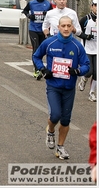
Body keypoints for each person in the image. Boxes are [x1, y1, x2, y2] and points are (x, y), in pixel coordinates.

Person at [32, 16, 90, 160]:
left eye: (68, 26)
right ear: (58, 27)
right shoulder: (50, 42)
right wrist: (43, 70)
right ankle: (50, 131)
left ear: (72, 28)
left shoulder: (77, 46)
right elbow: (36, 56)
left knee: (65, 120)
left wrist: (77, 71)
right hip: (53, 86)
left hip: (69, 88)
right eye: (63, 25)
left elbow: (86, 65)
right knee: (55, 115)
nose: (65, 28)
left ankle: (60, 147)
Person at [22, 0, 53, 80]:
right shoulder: (31, 3)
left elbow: (53, 15)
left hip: (43, 31)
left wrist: (47, 14)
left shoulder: (48, 4)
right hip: (33, 29)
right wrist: (29, 16)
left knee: (43, 50)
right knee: (36, 48)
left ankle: (40, 67)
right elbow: (25, 11)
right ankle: (37, 70)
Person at [77, 0, 97, 102]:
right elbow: (77, 31)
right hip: (87, 49)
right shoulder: (86, 19)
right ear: (92, 6)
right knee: (89, 71)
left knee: (97, 73)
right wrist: (86, 36)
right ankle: (84, 79)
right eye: (96, 5)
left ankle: (92, 93)